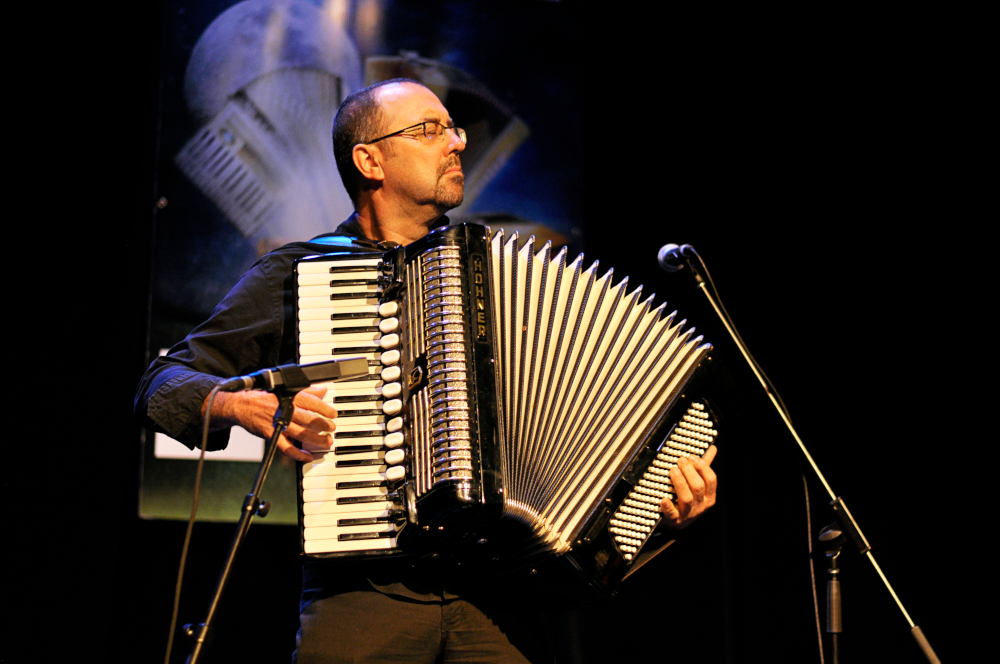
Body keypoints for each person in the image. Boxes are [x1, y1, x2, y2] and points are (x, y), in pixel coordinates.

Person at [135, 78, 718, 663]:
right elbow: (161, 385)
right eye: (429, 130)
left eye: (455, 129)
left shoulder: (498, 277)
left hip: (503, 603)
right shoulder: (306, 273)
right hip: (364, 598)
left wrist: (659, 508)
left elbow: (585, 431)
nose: (456, 143)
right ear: (370, 160)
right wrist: (243, 405)